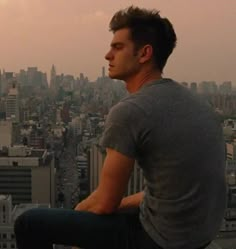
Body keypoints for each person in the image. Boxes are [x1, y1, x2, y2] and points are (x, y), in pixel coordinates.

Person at [14, 6, 226, 249]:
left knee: (28, 223)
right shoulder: (197, 103)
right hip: (198, 237)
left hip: (160, 241)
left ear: (144, 53)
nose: (107, 55)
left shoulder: (131, 110)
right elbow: (171, 190)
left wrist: (79, 210)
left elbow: (105, 203)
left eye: (118, 47)